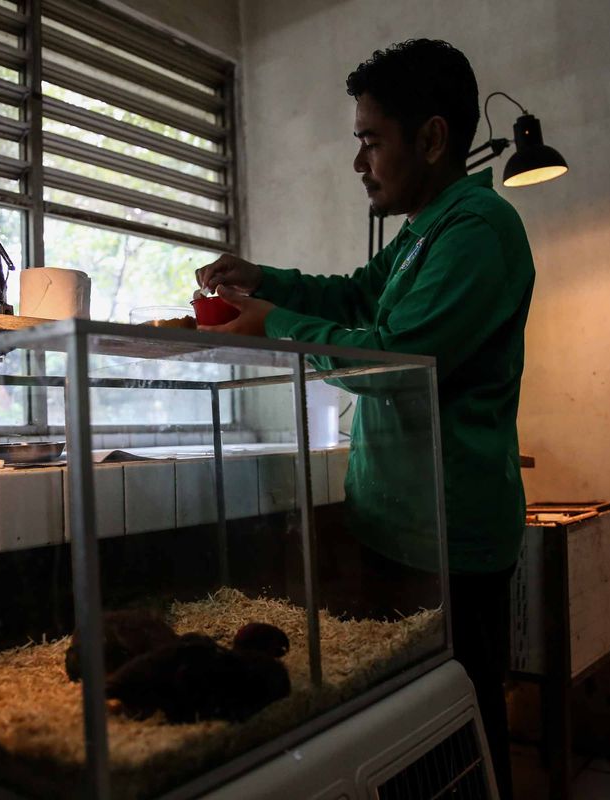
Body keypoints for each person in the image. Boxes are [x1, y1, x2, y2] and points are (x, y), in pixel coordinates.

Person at [194, 39, 533, 800]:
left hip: (452, 541)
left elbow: (397, 357)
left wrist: (274, 326)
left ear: (434, 138)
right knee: (403, 727)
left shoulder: (476, 230)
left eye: (370, 141)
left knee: (460, 723)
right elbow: (354, 296)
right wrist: (265, 281)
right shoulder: (422, 233)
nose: (360, 163)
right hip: (396, 525)